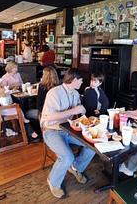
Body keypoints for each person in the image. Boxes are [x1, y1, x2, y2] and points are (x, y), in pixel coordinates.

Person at [40, 68, 95, 198]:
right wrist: (73, 110)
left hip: (68, 129)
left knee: (92, 146)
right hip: (51, 130)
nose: (82, 82)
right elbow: (48, 117)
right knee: (67, 157)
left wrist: (83, 116)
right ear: (75, 80)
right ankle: (53, 181)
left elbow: (76, 114)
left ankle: (75, 168)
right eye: (81, 80)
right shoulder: (54, 93)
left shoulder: (75, 94)